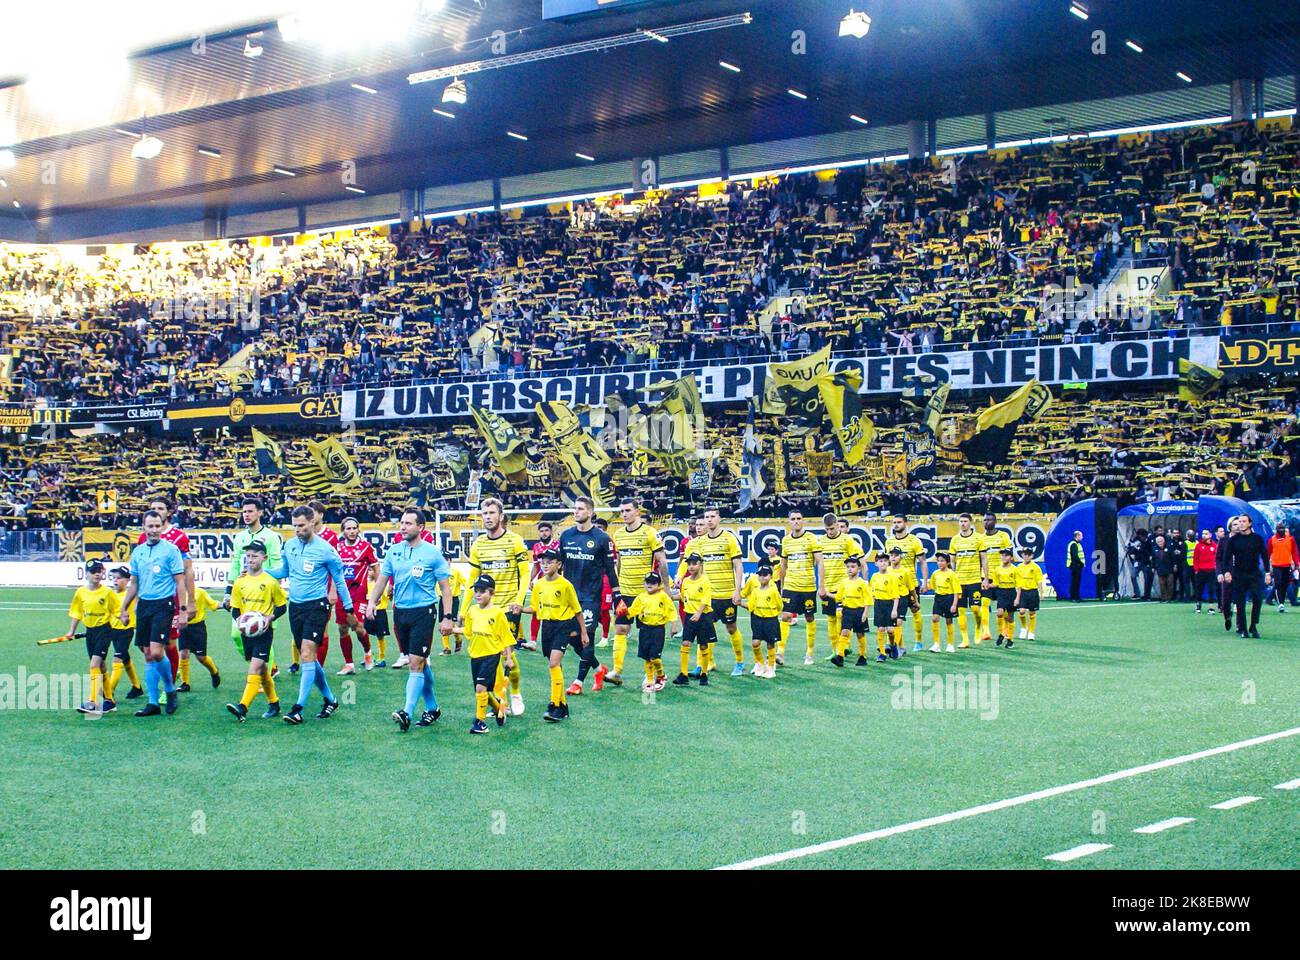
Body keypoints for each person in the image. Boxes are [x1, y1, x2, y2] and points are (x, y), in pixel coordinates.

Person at [265, 505, 358, 724]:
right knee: (308, 656)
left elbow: (340, 581)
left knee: (306, 653)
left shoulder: (326, 550)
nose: (297, 530)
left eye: (301, 526)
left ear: (312, 522)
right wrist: (262, 571)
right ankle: (330, 699)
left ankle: (298, 708)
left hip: (318, 606)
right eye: (294, 526)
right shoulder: (289, 546)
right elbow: (284, 571)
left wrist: (349, 608)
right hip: (295, 607)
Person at [364, 508, 454, 732]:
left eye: (408, 523)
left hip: (423, 612)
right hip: (400, 613)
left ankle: (407, 712)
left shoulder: (433, 553)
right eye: (402, 523)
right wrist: (373, 601)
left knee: (415, 663)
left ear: (420, 527)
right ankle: (432, 708)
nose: (402, 527)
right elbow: (382, 580)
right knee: (420, 662)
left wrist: (447, 618)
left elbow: (445, 588)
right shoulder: (394, 551)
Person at [464, 498, 530, 714]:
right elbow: (472, 581)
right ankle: (502, 701)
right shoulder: (478, 545)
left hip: (508, 609)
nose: (488, 517)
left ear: (501, 516)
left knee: (507, 655)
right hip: (486, 611)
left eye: (492, 513)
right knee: (493, 658)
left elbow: (525, 573)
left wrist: (519, 601)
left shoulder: (515, 541)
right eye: (484, 513)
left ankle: (516, 692)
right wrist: (464, 610)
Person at [118, 510, 186, 717]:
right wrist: (124, 607)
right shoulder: (138, 552)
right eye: (150, 526)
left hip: (163, 605)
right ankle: (153, 702)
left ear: (162, 527)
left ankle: (170, 690)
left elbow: (180, 581)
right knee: (148, 655)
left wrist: (182, 610)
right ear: (144, 527)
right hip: (144, 605)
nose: (154, 530)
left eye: (158, 526)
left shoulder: (171, 550)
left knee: (157, 652)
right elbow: (134, 583)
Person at [558, 497, 615, 696]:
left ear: (590, 512)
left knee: (587, 638)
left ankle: (578, 681)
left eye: (580, 509)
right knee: (573, 639)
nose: (576, 512)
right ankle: (599, 670)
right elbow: (559, 564)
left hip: (591, 596)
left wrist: (617, 595)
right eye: (575, 508)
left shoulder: (602, 538)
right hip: (569, 597)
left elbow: (610, 569)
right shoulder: (566, 536)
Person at [225, 540, 287, 722]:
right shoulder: (240, 581)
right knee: (262, 670)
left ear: (264, 557)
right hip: (247, 632)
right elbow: (235, 608)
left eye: (255, 556)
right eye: (248, 556)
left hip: (264, 632)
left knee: (255, 667)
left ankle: (242, 707)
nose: (250, 559)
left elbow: (282, 607)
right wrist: (240, 621)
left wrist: (269, 618)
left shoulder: (270, 582)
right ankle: (274, 703)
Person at [610, 498, 668, 686]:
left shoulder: (650, 533)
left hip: (646, 594)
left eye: (628, 510)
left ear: (637, 511)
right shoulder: (618, 534)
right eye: (622, 511)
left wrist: (665, 588)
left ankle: (651, 673)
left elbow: (663, 562)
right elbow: (618, 562)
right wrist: (617, 587)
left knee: (647, 634)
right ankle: (617, 671)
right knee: (620, 629)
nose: (624, 514)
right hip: (625, 593)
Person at [136, 497, 193, 684]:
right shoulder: (143, 539)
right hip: (148, 600)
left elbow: (187, 571)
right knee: (146, 646)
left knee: (169, 642)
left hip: (171, 598)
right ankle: (165, 673)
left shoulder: (179, 537)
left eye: (160, 508)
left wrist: (189, 602)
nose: (157, 511)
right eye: (153, 508)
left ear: (168, 512)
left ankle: (170, 683)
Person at [225, 497, 283, 670]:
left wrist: (270, 584)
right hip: (243, 593)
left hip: (264, 592)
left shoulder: (271, 537)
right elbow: (235, 564)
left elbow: (277, 565)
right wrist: (229, 591)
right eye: (244, 511)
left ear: (260, 513)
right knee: (237, 633)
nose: (246, 515)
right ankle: (262, 665)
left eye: (250, 511)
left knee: (263, 631)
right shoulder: (240, 537)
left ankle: (263, 674)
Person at [531, 549, 589, 722]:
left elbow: (578, 611)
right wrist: (520, 609)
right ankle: (562, 705)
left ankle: (555, 705)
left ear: (559, 564)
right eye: (543, 562)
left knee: (553, 663)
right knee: (556, 667)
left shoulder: (565, 585)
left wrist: (584, 633)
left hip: (563, 626)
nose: (546, 564)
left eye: (550, 561)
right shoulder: (539, 584)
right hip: (547, 627)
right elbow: (535, 608)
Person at [687, 506, 745, 676]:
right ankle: (702, 664)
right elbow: (694, 565)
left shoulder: (729, 538)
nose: (709, 519)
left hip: (726, 594)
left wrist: (737, 590)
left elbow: (738, 565)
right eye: (707, 517)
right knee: (703, 630)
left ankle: (740, 663)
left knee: (731, 628)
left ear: (719, 518)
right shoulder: (700, 542)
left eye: (712, 516)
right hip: (707, 596)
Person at [461, 575, 515, 735]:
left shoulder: (498, 613)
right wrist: (453, 630)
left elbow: (506, 637)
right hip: (475, 655)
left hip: (491, 656)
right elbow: (468, 632)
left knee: (480, 688)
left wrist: (509, 658)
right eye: (476, 591)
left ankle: (480, 721)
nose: (478, 595)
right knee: (481, 690)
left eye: (482, 591)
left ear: (492, 593)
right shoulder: (472, 611)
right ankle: (499, 707)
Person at [67, 560, 122, 715]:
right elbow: (77, 613)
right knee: (101, 667)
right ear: (87, 574)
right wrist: (71, 631)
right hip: (90, 632)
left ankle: (93, 702)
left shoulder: (107, 592)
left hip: (104, 631)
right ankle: (110, 701)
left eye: (100, 571)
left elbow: (116, 610)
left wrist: (122, 618)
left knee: (94, 665)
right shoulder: (81, 593)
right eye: (94, 571)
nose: (97, 574)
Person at [779, 509, 823, 665]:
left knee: (809, 617)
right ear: (789, 521)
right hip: (791, 584)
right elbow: (783, 565)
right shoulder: (785, 540)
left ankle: (809, 653)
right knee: (785, 616)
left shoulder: (811, 538)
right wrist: (782, 587)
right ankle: (780, 652)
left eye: (799, 518)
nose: (796, 521)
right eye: (793, 519)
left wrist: (821, 585)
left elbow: (820, 562)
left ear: (803, 520)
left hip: (808, 585)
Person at [335, 517, 377, 674]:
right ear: (343, 531)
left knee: (358, 627)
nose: (352, 531)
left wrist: (376, 591)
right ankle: (349, 664)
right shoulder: (337, 548)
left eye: (354, 528)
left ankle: (368, 654)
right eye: (348, 529)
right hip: (342, 594)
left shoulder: (365, 547)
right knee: (342, 629)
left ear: (359, 529)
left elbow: (376, 567)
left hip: (358, 594)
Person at [820, 511, 865, 659]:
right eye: (827, 529)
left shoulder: (847, 540)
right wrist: (821, 585)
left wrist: (858, 583)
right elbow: (818, 564)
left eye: (832, 528)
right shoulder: (821, 542)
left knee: (841, 615)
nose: (830, 532)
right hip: (828, 585)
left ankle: (843, 646)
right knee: (830, 619)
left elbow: (857, 563)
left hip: (844, 586)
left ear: (837, 525)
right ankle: (835, 650)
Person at [625, 571, 676, 693]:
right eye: (648, 582)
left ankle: (661, 675)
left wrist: (673, 626)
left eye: (653, 583)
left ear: (658, 585)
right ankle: (649, 680)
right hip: (644, 629)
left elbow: (671, 610)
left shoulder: (663, 596)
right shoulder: (641, 597)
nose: (650, 585)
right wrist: (623, 612)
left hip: (658, 630)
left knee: (655, 658)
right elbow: (633, 610)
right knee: (647, 657)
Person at [884, 514, 927, 652]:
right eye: (894, 522)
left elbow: (923, 562)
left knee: (915, 611)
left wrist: (925, 582)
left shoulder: (914, 541)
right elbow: (887, 563)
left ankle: (919, 641)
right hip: (893, 585)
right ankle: (898, 645)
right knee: (894, 616)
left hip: (911, 584)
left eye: (899, 522)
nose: (896, 524)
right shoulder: (889, 542)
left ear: (905, 523)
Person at [1223, 515, 1271, 638]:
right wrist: (1226, 572)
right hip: (1239, 574)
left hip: (1254, 574)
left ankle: (1253, 625)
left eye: (1244, 521)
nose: (1241, 524)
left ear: (1250, 523)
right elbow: (1226, 558)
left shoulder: (1257, 539)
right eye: (1239, 522)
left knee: (1258, 599)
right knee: (1240, 602)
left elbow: (1265, 556)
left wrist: (1267, 573)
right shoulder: (1233, 540)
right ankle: (1243, 628)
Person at [672, 553, 715, 686]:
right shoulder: (686, 581)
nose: (690, 567)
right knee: (685, 643)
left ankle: (704, 673)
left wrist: (698, 613)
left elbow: (705, 599)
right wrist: (672, 597)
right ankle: (683, 674)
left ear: (700, 564)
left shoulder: (705, 581)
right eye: (689, 564)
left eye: (694, 564)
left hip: (703, 617)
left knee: (703, 645)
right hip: (689, 616)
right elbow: (683, 596)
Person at [105, 565, 143, 703]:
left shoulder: (131, 595)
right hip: (112, 631)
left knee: (117, 661)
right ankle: (137, 686)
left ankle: (108, 693)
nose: (116, 581)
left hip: (125, 632)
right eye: (114, 578)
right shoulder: (109, 594)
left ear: (127, 581)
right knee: (125, 658)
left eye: (119, 578)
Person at [739, 561, 783, 677]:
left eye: (765, 575)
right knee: (755, 643)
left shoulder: (773, 590)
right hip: (757, 620)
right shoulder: (755, 591)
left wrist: (772, 614)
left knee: (770, 644)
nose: (762, 577)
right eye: (760, 575)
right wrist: (739, 603)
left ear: (771, 576)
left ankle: (771, 668)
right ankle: (760, 663)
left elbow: (780, 605)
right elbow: (751, 606)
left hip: (770, 620)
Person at [948, 513, 985, 648]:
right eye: (961, 521)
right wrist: (953, 577)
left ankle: (978, 628)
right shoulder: (955, 540)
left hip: (974, 579)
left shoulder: (978, 538)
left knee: (975, 608)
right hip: (960, 580)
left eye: (965, 521)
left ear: (970, 522)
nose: (962, 523)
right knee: (961, 610)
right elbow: (952, 561)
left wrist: (985, 578)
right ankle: (965, 640)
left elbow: (984, 559)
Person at [177, 586, 221, 692]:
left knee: (201, 657)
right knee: (183, 654)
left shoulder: (200, 592)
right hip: (183, 627)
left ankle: (214, 672)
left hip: (198, 628)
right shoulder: (177, 592)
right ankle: (185, 683)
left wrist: (226, 604)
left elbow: (213, 604)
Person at [829, 554, 869, 667]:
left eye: (853, 566)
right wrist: (827, 594)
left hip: (859, 611)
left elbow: (868, 599)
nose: (850, 569)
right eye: (848, 567)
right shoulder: (844, 582)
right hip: (847, 611)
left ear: (859, 568)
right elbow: (839, 596)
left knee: (860, 634)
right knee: (844, 632)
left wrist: (865, 613)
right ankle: (840, 656)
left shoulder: (862, 583)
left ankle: (863, 656)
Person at [979, 513, 1012, 643]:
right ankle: (986, 631)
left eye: (989, 520)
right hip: (986, 576)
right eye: (984, 520)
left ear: (995, 521)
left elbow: (1009, 556)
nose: (986, 522)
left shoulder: (1003, 536)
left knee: (1002, 608)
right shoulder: (980, 539)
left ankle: (1004, 631)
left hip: (1001, 577)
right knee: (984, 603)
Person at [527, 520, 560, 647]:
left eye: (546, 530)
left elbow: (563, 564)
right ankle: (533, 640)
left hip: (557, 582)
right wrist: (531, 580)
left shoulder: (558, 545)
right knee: (536, 609)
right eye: (541, 531)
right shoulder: (536, 547)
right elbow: (536, 567)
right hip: (542, 583)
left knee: (557, 610)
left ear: (551, 532)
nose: (544, 533)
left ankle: (561, 637)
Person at [868, 551, 900, 662]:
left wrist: (895, 610)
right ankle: (882, 653)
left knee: (890, 630)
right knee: (881, 628)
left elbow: (896, 596)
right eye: (880, 561)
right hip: (879, 605)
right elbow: (871, 591)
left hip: (890, 605)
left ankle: (892, 645)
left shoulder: (892, 577)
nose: (883, 563)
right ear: (876, 563)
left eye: (886, 561)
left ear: (889, 563)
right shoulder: (874, 576)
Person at [928, 551, 960, 653]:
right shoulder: (935, 573)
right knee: (935, 618)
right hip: (938, 598)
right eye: (938, 561)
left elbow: (956, 591)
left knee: (948, 620)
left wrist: (954, 604)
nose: (939, 563)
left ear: (947, 562)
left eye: (942, 561)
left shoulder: (952, 574)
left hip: (949, 598)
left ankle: (950, 644)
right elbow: (932, 586)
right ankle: (936, 644)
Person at [1265, 522, 1299, 613]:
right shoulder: (1271, 540)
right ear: (1276, 530)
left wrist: (1296, 564)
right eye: (1279, 528)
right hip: (1276, 565)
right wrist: (1268, 567)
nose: (1281, 530)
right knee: (1278, 583)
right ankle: (1280, 604)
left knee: (1284, 584)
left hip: (1287, 565)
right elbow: (1268, 554)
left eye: (1283, 528)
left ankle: (1282, 603)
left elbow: (1294, 552)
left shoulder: (1290, 539)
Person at [990, 548, 1019, 647]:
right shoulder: (997, 569)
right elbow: (995, 583)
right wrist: (988, 585)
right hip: (1001, 592)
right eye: (1002, 555)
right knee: (999, 613)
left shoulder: (1015, 569)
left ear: (1011, 557)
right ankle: (1001, 633)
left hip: (1011, 592)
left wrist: (1017, 598)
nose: (1003, 557)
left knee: (1010, 618)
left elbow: (1018, 585)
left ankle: (1010, 639)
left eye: (1006, 555)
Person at [1014, 547, 1043, 640]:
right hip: (1022, 592)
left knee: (1032, 612)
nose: (1026, 556)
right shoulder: (1019, 567)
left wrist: (1041, 593)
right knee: (1021, 611)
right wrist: (1017, 595)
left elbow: (1039, 581)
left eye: (1028, 554)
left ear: (1032, 556)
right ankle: (1023, 628)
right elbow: (1017, 582)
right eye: (1024, 554)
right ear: (1022, 555)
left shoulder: (1035, 567)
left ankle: (1031, 632)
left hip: (1033, 592)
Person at [1192, 529, 1219, 613]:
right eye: (1203, 533)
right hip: (1201, 571)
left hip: (1211, 571)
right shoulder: (1199, 545)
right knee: (1199, 589)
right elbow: (1195, 558)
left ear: (1210, 535)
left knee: (1211, 589)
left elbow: (1217, 559)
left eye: (1206, 534)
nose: (1204, 535)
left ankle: (1211, 607)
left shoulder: (1214, 545)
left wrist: (1215, 568)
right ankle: (1198, 606)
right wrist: (1196, 569)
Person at [1152, 534, 1176, 602]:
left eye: (1161, 541)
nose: (1160, 542)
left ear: (1164, 541)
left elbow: (1173, 557)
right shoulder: (1154, 549)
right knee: (1162, 584)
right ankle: (1163, 598)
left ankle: (1169, 598)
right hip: (1160, 569)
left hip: (1169, 569)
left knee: (1170, 584)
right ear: (1156, 542)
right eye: (1158, 541)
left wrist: (1175, 565)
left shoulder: (1169, 547)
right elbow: (1153, 559)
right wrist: (1153, 567)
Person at [1066, 530, 1085, 602]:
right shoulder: (1073, 544)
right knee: (1074, 582)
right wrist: (1081, 563)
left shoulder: (1077, 544)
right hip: (1075, 566)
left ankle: (1077, 596)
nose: (1082, 537)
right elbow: (1075, 556)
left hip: (1077, 566)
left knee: (1077, 582)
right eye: (1081, 536)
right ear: (1077, 536)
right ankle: (1073, 597)